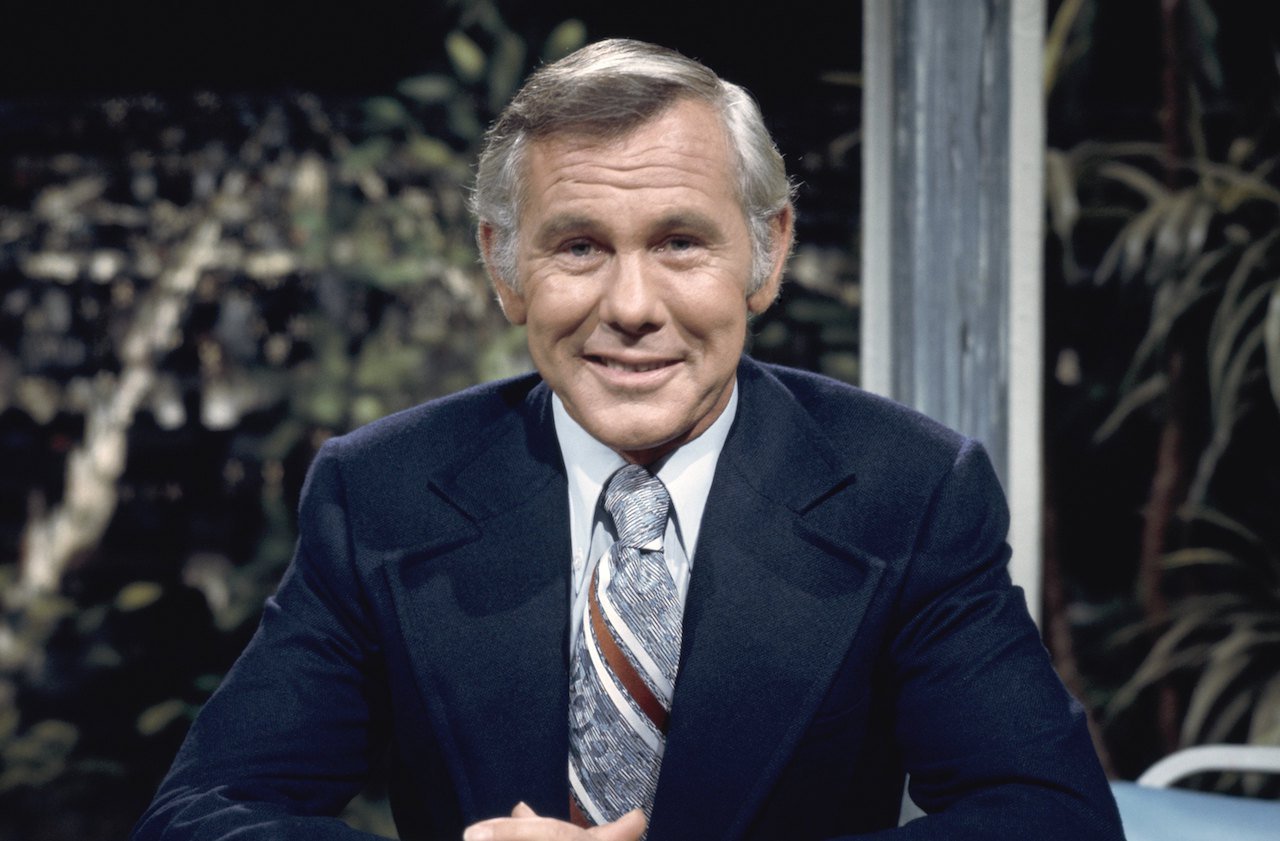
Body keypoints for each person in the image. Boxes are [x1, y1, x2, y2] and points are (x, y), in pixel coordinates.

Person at [133, 39, 1124, 841]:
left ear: (766, 254)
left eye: (679, 243)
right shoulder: (380, 489)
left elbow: (1047, 816)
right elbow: (203, 814)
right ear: (503, 263)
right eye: (577, 248)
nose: (632, 307)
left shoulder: (907, 488)